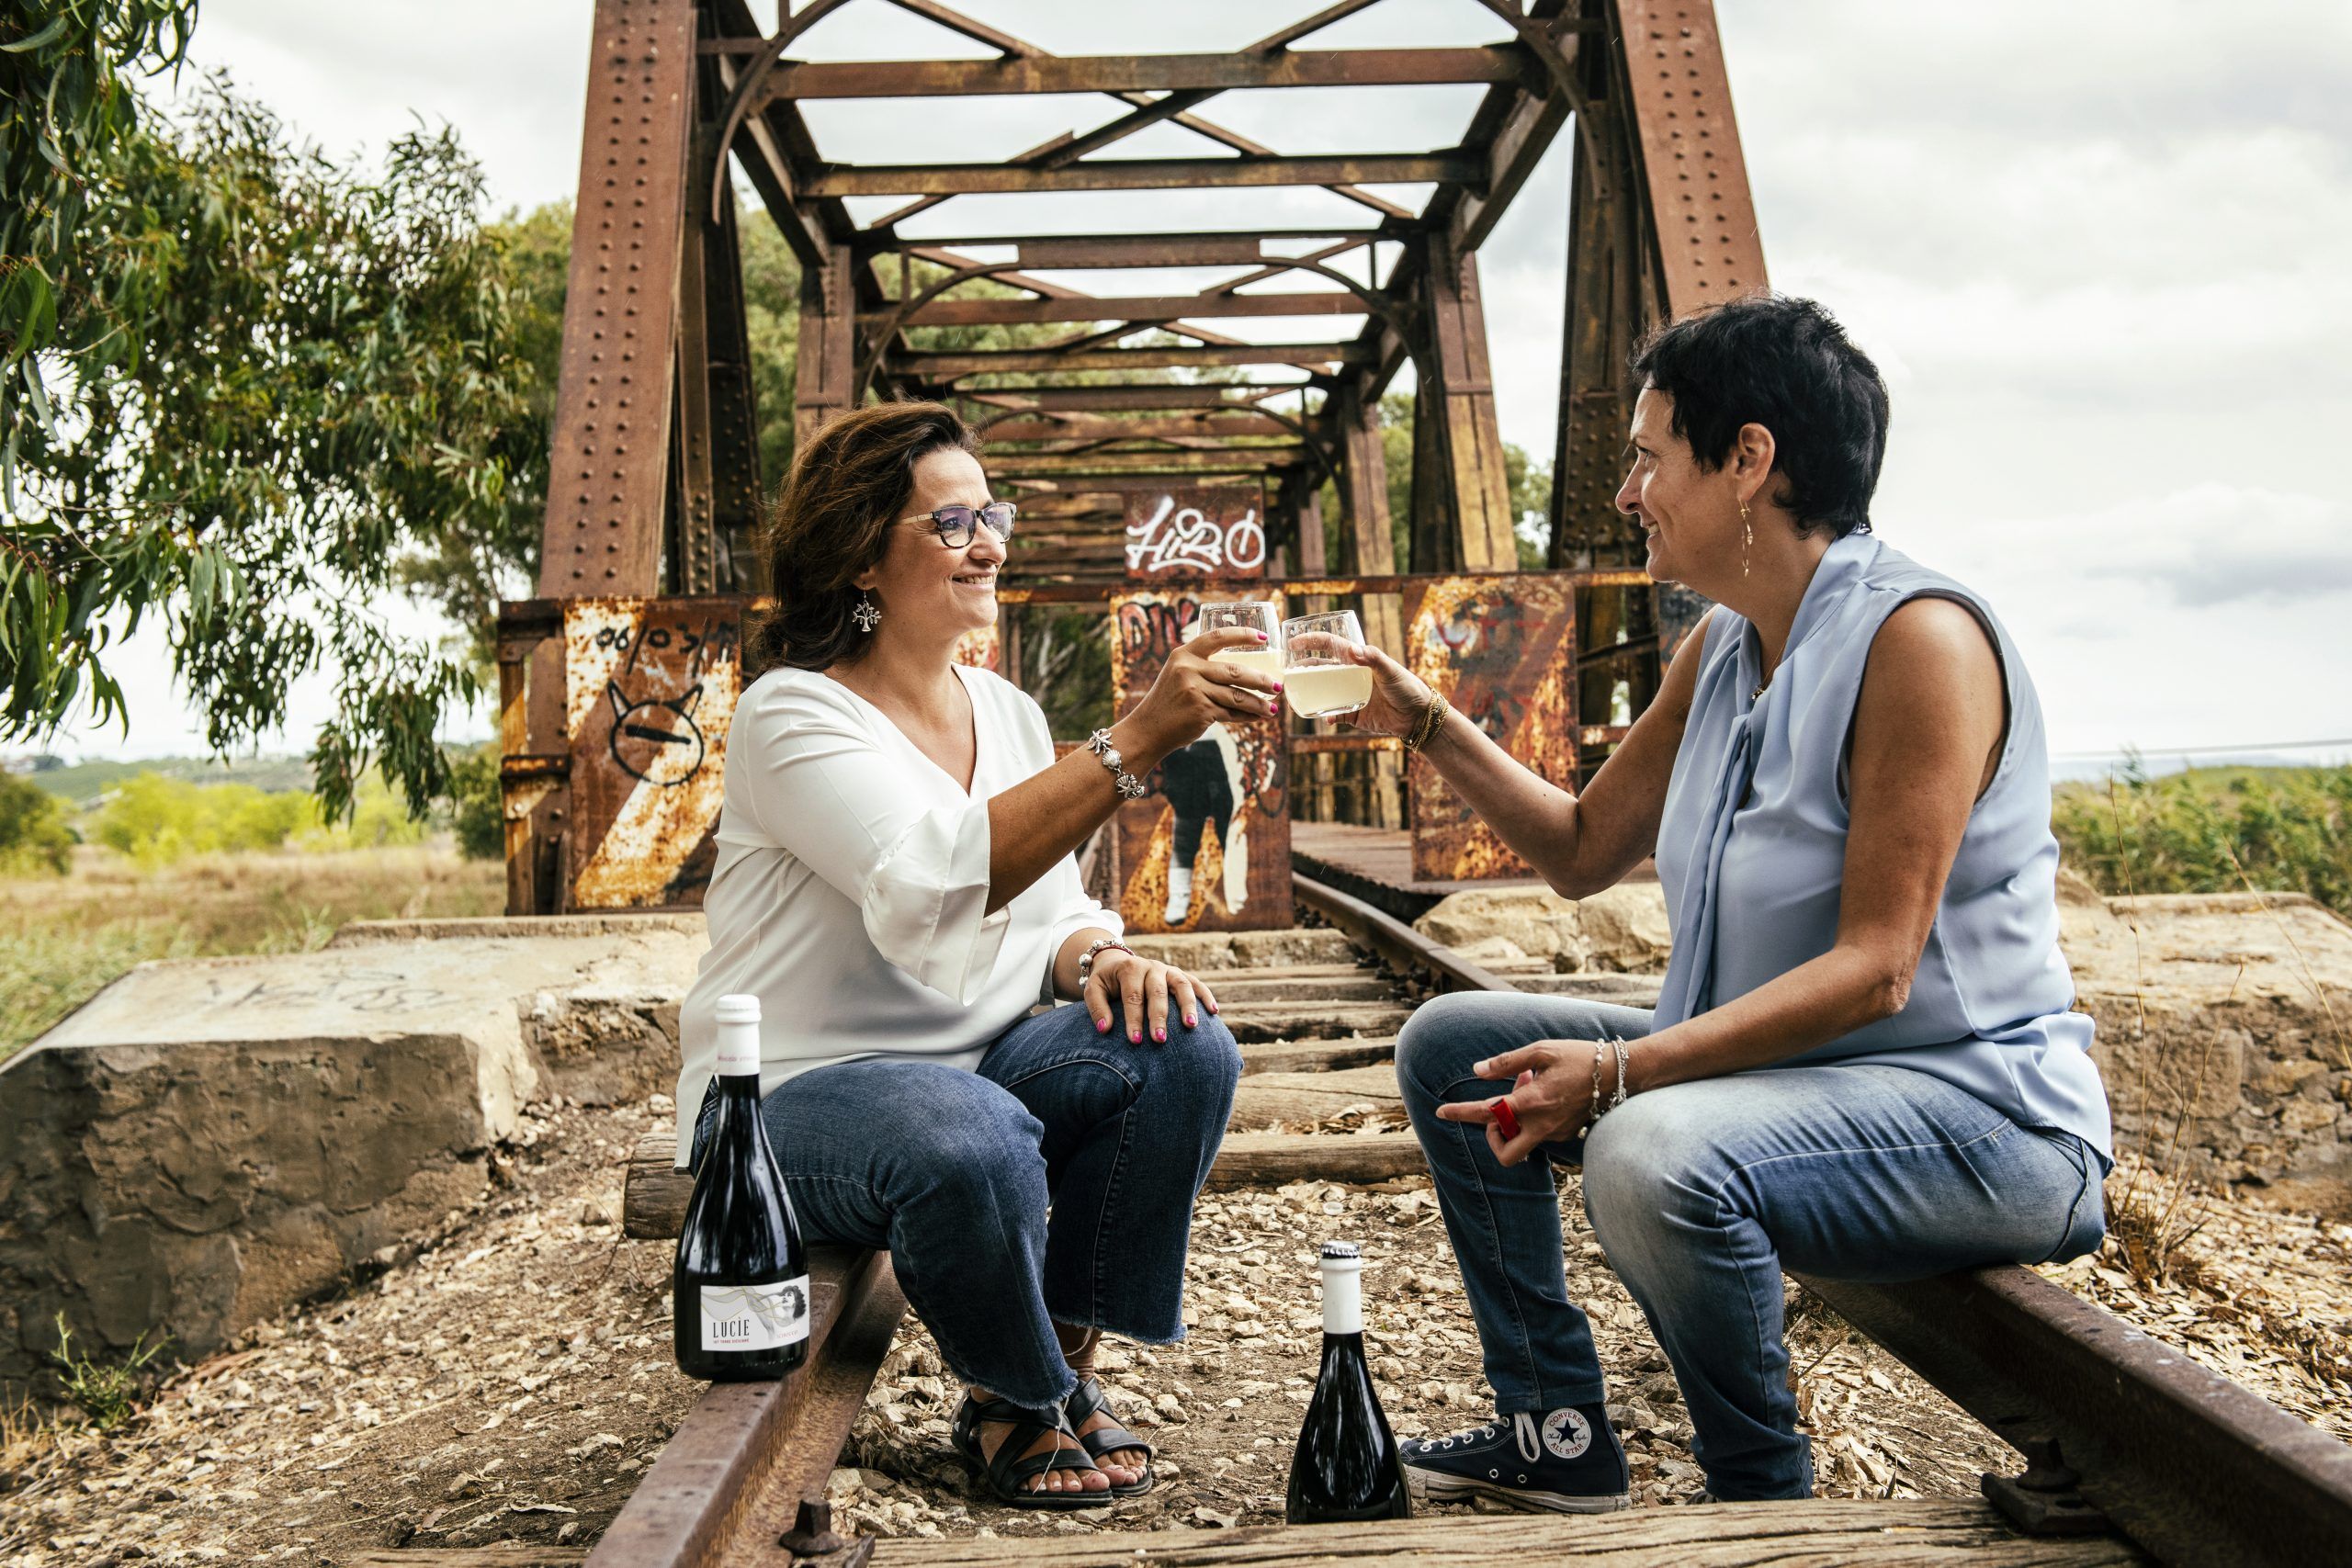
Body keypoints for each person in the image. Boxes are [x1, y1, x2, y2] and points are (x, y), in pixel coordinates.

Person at [1338, 296, 2111, 1507]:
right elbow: (1585, 847)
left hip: (1982, 1116)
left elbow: (1878, 968)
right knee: (1456, 1040)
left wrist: (1621, 1073)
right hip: (1796, 1088)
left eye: (1648, 456)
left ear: (1749, 459)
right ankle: (1552, 1428)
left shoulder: (1920, 641)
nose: (1626, 492)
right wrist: (1425, 721)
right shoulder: (1722, 648)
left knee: (1647, 1148)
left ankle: (1762, 1495)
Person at [674, 402, 1280, 1508]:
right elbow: (924, 885)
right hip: (791, 1102)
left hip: (975, 1082)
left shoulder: (1004, 709)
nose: (990, 543)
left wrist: (1101, 955)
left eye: (989, 515)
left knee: (1180, 1046)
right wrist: (1135, 740)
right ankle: (1016, 1395)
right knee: (967, 1128)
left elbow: (1050, 912)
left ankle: (1052, 1368)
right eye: (952, 524)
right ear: (863, 551)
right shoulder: (790, 715)